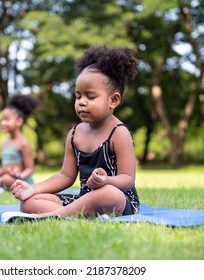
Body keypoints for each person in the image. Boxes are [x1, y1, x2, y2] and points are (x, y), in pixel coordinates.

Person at [7, 46, 140, 219]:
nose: (82, 102)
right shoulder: (74, 133)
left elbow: (127, 178)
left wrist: (107, 181)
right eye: (78, 96)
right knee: (30, 202)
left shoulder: (119, 133)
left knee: (109, 194)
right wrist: (33, 188)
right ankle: (70, 214)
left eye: (90, 97)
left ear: (113, 100)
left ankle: (54, 216)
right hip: (84, 200)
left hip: (118, 199)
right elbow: (65, 176)